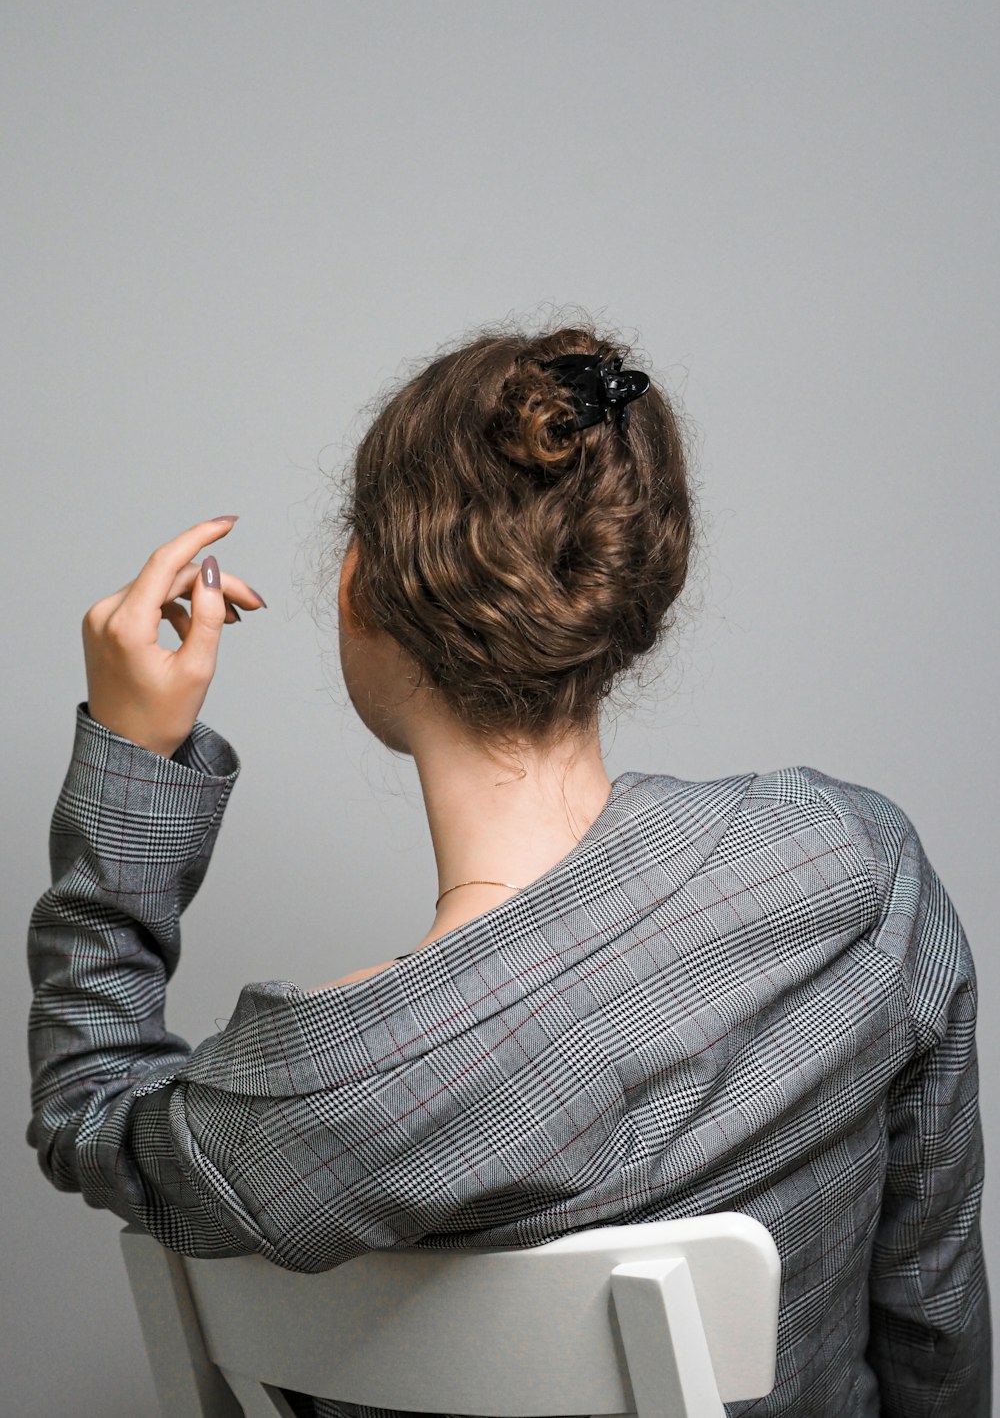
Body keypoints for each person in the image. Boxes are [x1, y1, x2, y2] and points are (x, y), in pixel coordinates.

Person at [26, 319, 990, 1418]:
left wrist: (132, 763)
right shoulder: (858, 872)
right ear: (628, 587)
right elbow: (933, 1311)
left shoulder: (315, 1092)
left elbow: (87, 1107)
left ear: (359, 593)